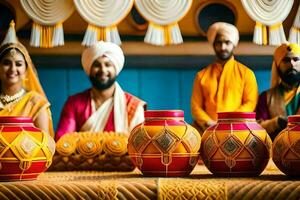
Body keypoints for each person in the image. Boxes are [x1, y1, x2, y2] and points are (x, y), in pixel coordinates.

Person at [56, 41, 146, 141]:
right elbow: (62, 142)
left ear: (116, 69)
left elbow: (140, 145)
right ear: (89, 69)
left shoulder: (133, 105)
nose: (103, 70)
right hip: (81, 157)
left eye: (108, 65)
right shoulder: (74, 103)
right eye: (97, 65)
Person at [191, 22, 258, 135]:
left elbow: (251, 103)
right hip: (207, 130)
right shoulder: (201, 75)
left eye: (227, 42)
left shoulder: (247, 73)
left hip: (238, 130)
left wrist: (230, 121)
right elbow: (195, 106)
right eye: (218, 43)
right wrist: (209, 123)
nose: (223, 47)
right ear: (213, 45)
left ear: (234, 44)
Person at [0, 21, 54, 137]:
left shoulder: (35, 102)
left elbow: (45, 146)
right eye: (6, 63)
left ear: (26, 70)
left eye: (18, 64)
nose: (12, 69)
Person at [256, 43, 300, 140]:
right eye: (286, 60)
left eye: (296, 59)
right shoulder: (266, 97)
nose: (292, 64)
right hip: (277, 151)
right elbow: (257, 128)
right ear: (277, 66)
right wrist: (276, 122)